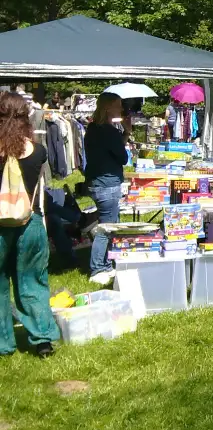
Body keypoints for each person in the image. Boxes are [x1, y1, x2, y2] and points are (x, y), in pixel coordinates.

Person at [0, 92, 60, 358]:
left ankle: (4, 344)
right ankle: (42, 340)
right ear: (26, 117)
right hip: (31, 222)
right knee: (33, 281)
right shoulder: (39, 152)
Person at [85, 93, 131, 286]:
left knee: (108, 223)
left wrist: (125, 133)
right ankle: (97, 268)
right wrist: (125, 134)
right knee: (106, 228)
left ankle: (104, 263)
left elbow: (108, 149)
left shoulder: (92, 128)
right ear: (109, 108)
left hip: (96, 181)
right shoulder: (108, 131)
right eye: (118, 106)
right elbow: (122, 157)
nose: (121, 110)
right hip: (108, 183)